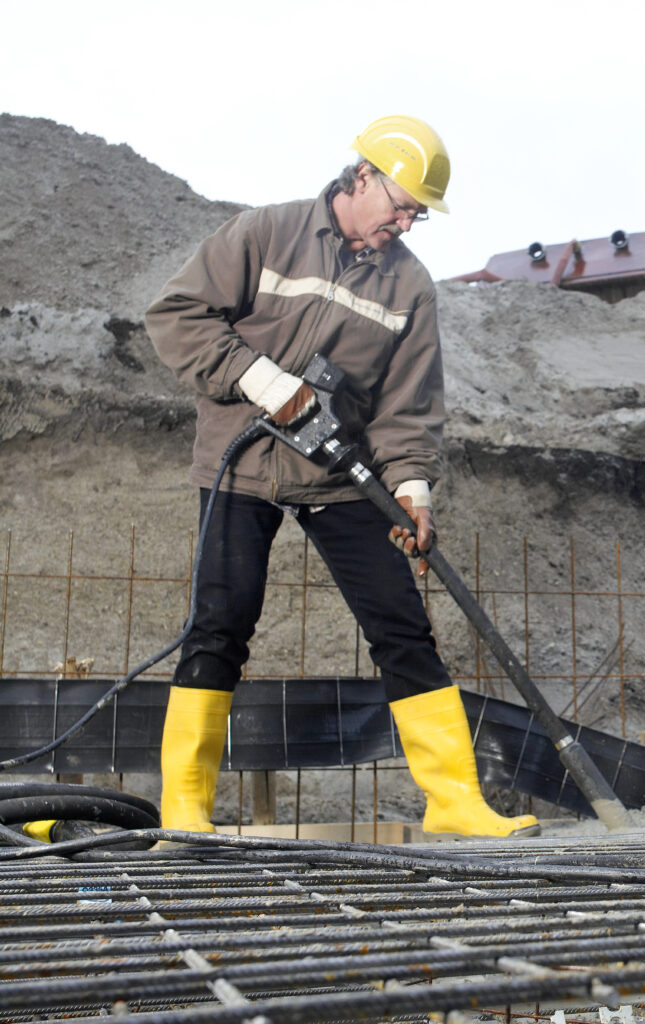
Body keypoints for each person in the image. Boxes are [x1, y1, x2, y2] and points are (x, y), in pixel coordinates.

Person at [145, 115, 540, 840]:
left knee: (401, 625)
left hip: (339, 471)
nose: (407, 223)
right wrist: (264, 382)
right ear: (362, 176)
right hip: (242, 462)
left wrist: (412, 490)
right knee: (219, 625)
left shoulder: (410, 286)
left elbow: (407, 407)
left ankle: (454, 800)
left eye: (419, 214)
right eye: (403, 205)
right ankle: (186, 808)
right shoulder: (266, 233)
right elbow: (177, 316)